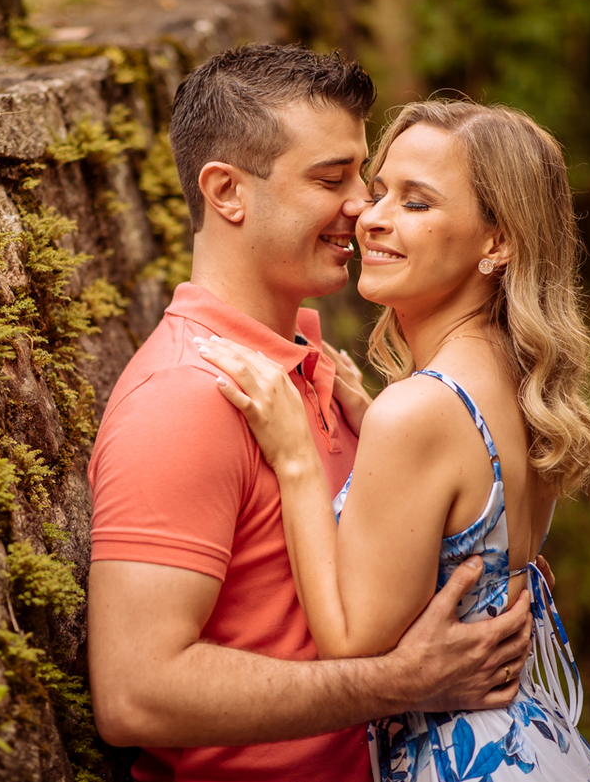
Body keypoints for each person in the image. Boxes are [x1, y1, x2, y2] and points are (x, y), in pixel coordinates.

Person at [86, 45, 536, 782]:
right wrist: (399, 681)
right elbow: (135, 696)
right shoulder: (184, 397)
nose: (364, 204)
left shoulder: (323, 370)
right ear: (227, 192)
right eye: (332, 178)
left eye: (363, 173)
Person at [197, 99, 590, 780]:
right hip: (535, 743)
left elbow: (351, 642)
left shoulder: (418, 411)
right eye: (380, 189)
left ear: (496, 242)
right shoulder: (515, 376)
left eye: (416, 203)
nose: (372, 217)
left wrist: (297, 456)